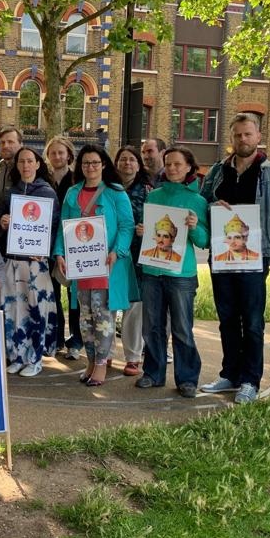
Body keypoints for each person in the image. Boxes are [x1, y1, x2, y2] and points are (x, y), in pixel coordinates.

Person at [200, 113, 270, 404]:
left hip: (255, 258)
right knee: (227, 317)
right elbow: (202, 203)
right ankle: (230, 374)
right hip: (222, 254)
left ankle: (250, 380)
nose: (243, 139)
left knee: (252, 321)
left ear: (258, 137)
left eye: (248, 134)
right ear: (231, 138)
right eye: (238, 135)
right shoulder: (217, 171)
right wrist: (212, 204)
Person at [53, 146, 136, 387]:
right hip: (81, 269)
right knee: (84, 319)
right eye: (86, 163)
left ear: (104, 165)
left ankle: (101, 364)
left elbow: (127, 225)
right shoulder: (72, 193)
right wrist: (59, 252)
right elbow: (64, 226)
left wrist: (116, 251)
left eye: (95, 163)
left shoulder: (116, 193)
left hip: (106, 269)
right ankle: (90, 360)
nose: (90, 167)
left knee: (104, 319)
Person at [135, 146, 209, 398]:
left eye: (178, 164)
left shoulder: (197, 201)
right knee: (152, 327)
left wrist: (195, 227)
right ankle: (153, 373)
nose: (173, 168)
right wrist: (142, 232)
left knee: (182, 328)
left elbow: (203, 241)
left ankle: (187, 378)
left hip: (181, 274)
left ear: (189, 167)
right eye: (169, 164)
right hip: (152, 270)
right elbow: (149, 231)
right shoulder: (154, 196)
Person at [0, 147, 60, 377]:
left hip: (35, 265)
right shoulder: (9, 194)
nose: (26, 166)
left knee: (35, 310)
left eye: (30, 161)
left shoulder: (47, 193)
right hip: (12, 261)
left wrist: (46, 250)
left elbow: (54, 228)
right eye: (22, 161)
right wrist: (2, 223)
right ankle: (17, 355)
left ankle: (35, 358)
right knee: (12, 309)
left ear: (38, 164)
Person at [113, 146, 152, 377]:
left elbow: (159, 223)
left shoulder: (148, 191)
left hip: (137, 256)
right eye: (123, 159)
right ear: (116, 164)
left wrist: (146, 230)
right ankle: (105, 353)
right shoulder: (107, 189)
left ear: (138, 165)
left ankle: (133, 357)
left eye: (131, 159)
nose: (127, 163)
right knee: (107, 304)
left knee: (134, 307)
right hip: (110, 254)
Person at [45, 135, 82, 359]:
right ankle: (57, 338)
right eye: (53, 153)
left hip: (73, 245)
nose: (57, 157)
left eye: (61, 152)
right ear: (47, 157)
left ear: (69, 154)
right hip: (47, 244)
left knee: (74, 294)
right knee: (52, 294)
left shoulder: (77, 180)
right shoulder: (44, 179)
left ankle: (76, 340)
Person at [0, 126, 23, 235]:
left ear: (21, 145)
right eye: (2, 142)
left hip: (16, 238)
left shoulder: (26, 173)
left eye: (10, 142)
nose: (5, 146)